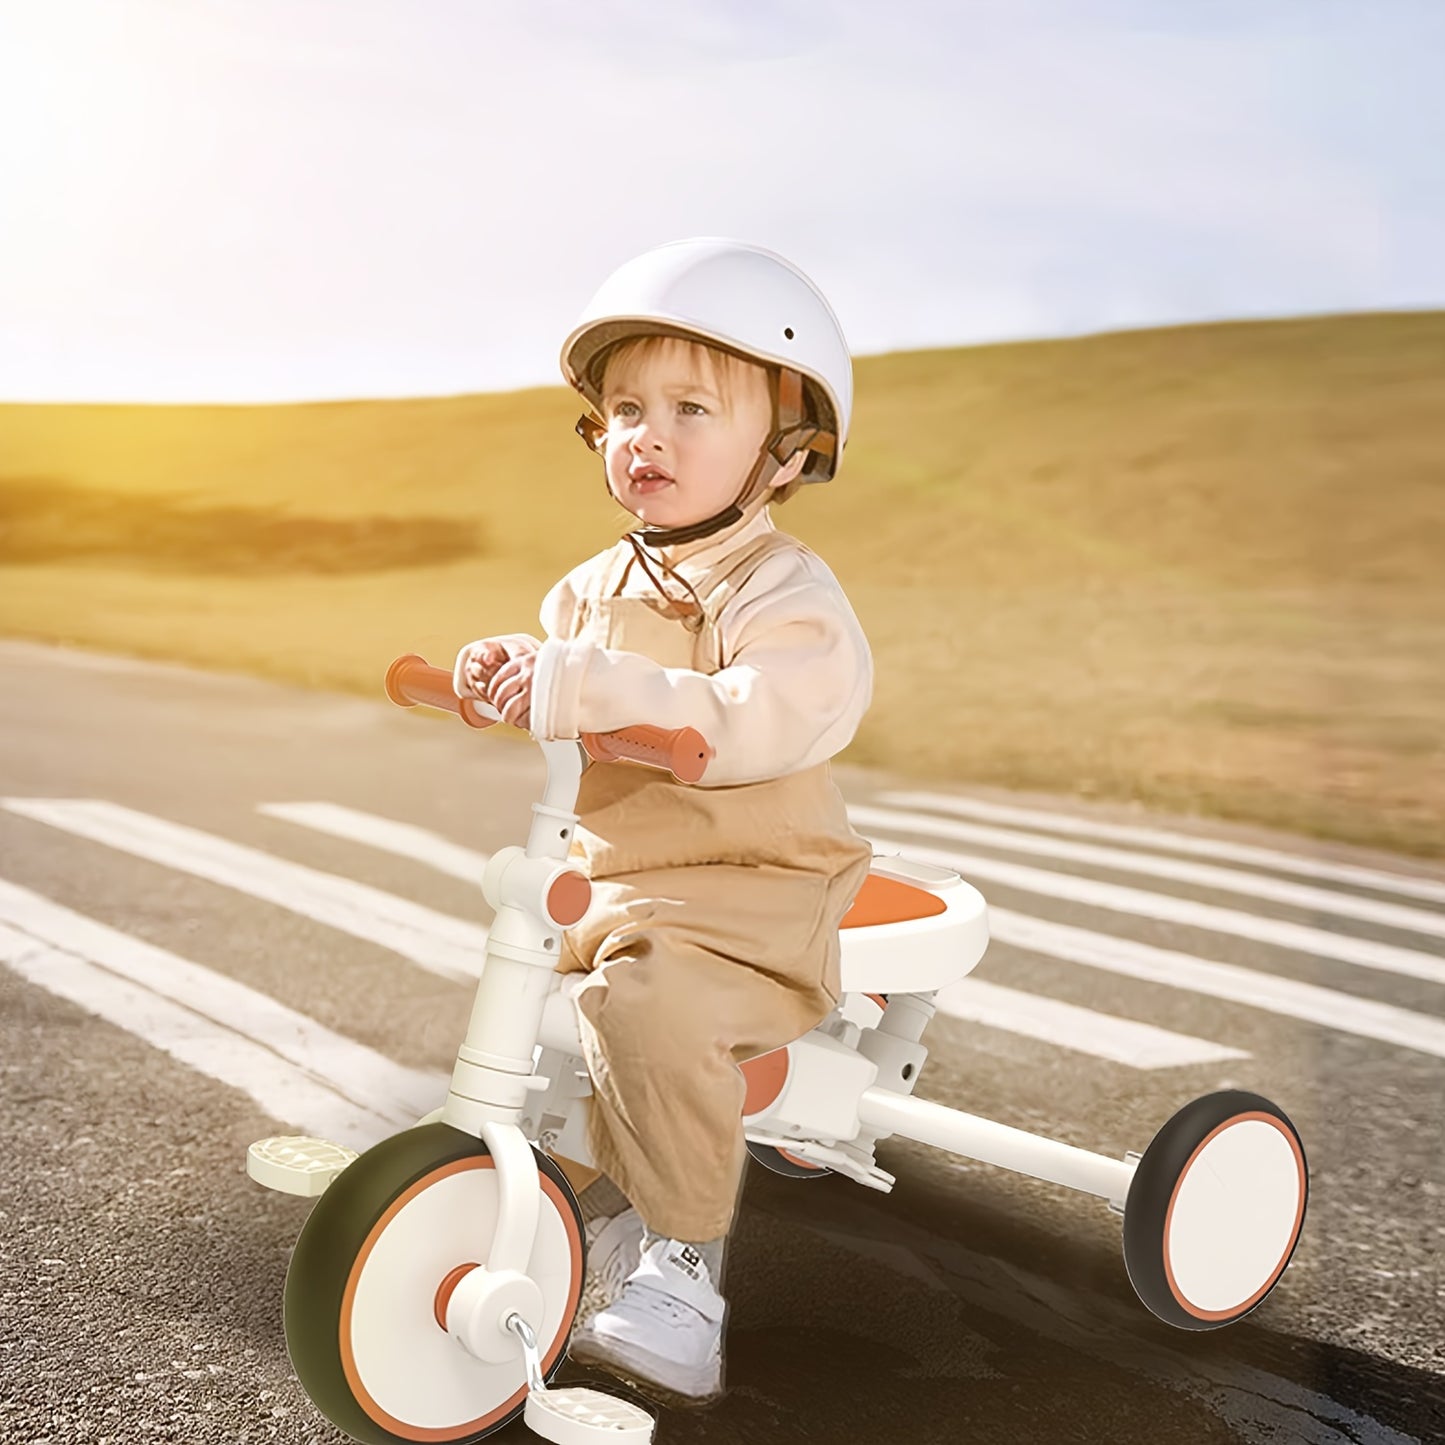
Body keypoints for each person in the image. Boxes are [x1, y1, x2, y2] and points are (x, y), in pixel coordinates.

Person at [453, 237, 873, 1405]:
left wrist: (586, 688)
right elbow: (566, 682)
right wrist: (507, 669)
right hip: (620, 879)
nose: (649, 433)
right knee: (533, 982)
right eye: (627, 407)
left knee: (646, 1005)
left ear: (786, 453)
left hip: (754, 891)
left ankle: (684, 1267)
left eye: (694, 408)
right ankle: (529, 1190)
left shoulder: (786, 596)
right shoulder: (584, 590)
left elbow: (757, 717)